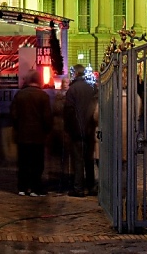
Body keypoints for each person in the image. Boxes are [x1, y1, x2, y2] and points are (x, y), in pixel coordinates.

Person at [10, 69, 52, 196]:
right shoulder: (43, 96)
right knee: (37, 163)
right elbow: (47, 118)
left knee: (23, 162)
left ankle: (22, 187)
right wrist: (47, 130)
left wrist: (18, 127)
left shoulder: (20, 95)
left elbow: (13, 115)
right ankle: (35, 188)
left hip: (23, 135)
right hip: (38, 136)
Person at [64, 64, 97, 197]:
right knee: (89, 159)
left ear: (76, 74)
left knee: (78, 160)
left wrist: (68, 128)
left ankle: (78, 187)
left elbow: (69, 110)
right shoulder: (92, 87)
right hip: (90, 128)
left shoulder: (72, 90)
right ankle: (91, 186)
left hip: (77, 129)